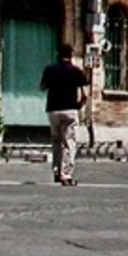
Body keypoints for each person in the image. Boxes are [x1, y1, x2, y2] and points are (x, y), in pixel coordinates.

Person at [38, 43, 90, 186]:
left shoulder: (50, 70)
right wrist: (80, 105)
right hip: (69, 110)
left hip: (53, 109)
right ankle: (65, 174)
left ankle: (56, 171)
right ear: (71, 55)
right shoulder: (76, 71)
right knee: (68, 143)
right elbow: (85, 94)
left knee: (56, 142)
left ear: (58, 55)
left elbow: (42, 87)